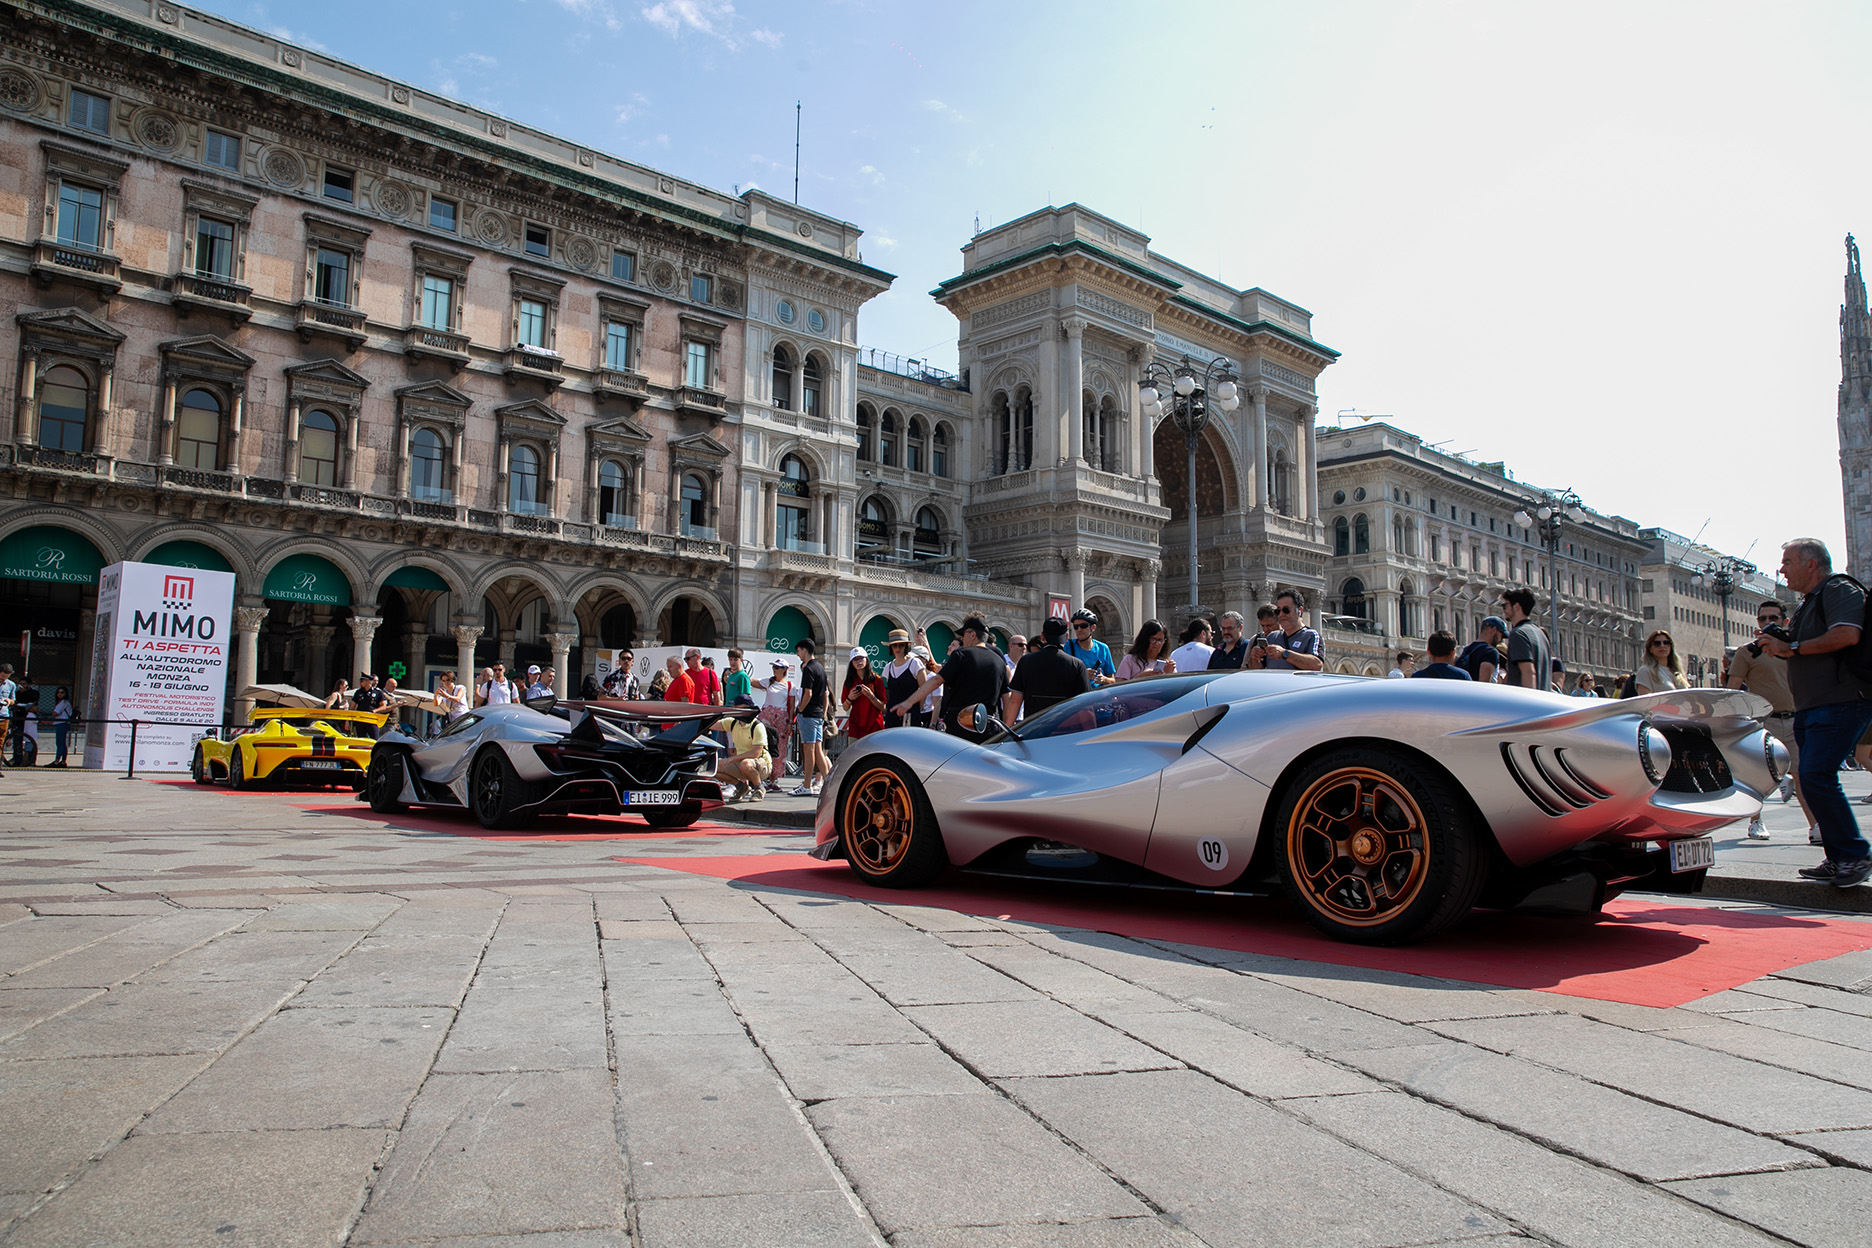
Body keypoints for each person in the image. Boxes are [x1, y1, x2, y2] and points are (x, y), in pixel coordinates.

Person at [1749, 538, 1872, 888]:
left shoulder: (1840, 590)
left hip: (1841, 700)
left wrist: (1793, 647)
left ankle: (1854, 854)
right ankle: (1838, 858)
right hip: (1814, 704)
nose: (1782, 569)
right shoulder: (1810, 602)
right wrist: (1782, 639)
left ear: (1812, 564)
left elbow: (1847, 634)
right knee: (1812, 779)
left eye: (1787, 561)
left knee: (1817, 775)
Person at [1730, 599, 1815, 841]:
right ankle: (1755, 822)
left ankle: (1815, 826)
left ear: (1784, 622)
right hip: (1763, 722)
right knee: (1758, 775)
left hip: (1794, 719)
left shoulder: (1794, 650)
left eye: (1773, 618)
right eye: (1762, 618)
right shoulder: (1748, 652)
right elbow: (1733, 688)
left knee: (1803, 775)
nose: (1767, 623)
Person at [894, 615, 1009, 743]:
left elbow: (937, 680)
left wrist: (909, 701)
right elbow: (1007, 699)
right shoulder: (999, 661)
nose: (962, 639)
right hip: (988, 727)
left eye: (963, 634)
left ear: (973, 635)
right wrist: (1008, 729)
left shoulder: (961, 655)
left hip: (961, 724)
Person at [1005, 616, 1091, 720]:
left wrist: (1007, 731)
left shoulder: (1025, 661)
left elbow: (1015, 701)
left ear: (1043, 636)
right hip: (1066, 729)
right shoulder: (1077, 665)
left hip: (1034, 728)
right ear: (1066, 637)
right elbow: (1085, 706)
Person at [792, 639, 831, 796]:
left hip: (809, 714)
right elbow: (825, 694)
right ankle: (829, 784)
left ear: (804, 650)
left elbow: (807, 693)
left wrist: (800, 709)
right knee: (818, 750)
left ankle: (807, 785)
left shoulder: (808, 669)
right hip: (818, 714)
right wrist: (823, 713)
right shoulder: (820, 668)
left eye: (799, 651)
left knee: (808, 750)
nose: (798, 654)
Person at [752, 656, 797, 791]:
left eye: (777, 667)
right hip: (767, 715)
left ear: (784, 670)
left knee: (779, 748)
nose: (774, 669)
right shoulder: (768, 682)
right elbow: (753, 682)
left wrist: (790, 722)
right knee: (762, 744)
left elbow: (791, 706)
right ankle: (760, 777)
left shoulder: (790, 686)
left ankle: (773, 779)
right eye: (773, 667)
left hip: (782, 717)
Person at [715, 695, 771, 802]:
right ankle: (741, 787)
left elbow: (755, 753)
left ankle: (759, 788)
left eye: (737, 707)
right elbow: (712, 725)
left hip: (761, 765)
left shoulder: (757, 726)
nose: (735, 709)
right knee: (715, 768)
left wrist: (730, 759)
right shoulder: (733, 723)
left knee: (745, 764)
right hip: (741, 764)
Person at [1497, 589, 1551, 690]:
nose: (1504, 610)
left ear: (1516, 606)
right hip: (1544, 697)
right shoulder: (1540, 634)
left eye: (1505, 606)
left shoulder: (1518, 633)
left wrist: (1529, 702)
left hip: (1524, 700)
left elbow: (1528, 671)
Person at [1263, 589, 1325, 671]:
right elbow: (1256, 667)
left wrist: (1285, 654)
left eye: (1286, 610)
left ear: (1300, 610)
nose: (1281, 614)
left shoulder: (1311, 635)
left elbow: (1316, 664)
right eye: (1278, 611)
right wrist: (1254, 658)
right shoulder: (1272, 637)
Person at [880, 630, 928, 729]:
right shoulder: (888, 667)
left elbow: (924, 690)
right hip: (892, 715)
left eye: (901, 645)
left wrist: (916, 709)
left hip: (911, 714)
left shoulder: (915, 663)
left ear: (906, 646)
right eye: (894, 645)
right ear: (891, 647)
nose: (898, 648)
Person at [842, 647, 887, 741]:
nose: (858, 662)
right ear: (851, 663)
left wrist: (871, 696)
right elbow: (845, 707)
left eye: (861, 658)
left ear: (866, 659)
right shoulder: (849, 682)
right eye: (855, 660)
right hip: (856, 726)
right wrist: (850, 698)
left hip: (874, 726)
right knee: (854, 754)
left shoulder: (876, 679)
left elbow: (883, 706)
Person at [1063, 609, 1117, 686]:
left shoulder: (1103, 648)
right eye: (1076, 627)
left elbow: (1112, 680)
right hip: (1078, 696)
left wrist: (1103, 679)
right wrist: (1082, 674)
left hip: (1097, 696)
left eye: (1083, 626)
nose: (1079, 630)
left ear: (1093, 627)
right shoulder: (1067, 646)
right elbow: (1060, 675)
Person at [1459, 617, 1506, 684]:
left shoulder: (1467, 649)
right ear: (1494, 630)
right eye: (1501, 635)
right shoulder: (1490, 652)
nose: (1501, 639)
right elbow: (1484, 683)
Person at [49, 686, 74, 767]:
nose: (59, 694)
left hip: (61, 723)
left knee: (60, 743)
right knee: (63, 743)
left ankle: (57, 760)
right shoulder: (66, 702)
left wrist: (53, 714)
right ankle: (63, 760)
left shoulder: (63, 702)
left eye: (62, 692)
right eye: (58, 692)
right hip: (65, 723)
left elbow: (55, 713)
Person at [0, 664, 15, 773]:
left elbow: (13, 700)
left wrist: (9, 701)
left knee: (0, 742)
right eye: (2, 676)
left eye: (6, 676)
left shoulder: (11, 685)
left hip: (3, 715)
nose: (3, 678)